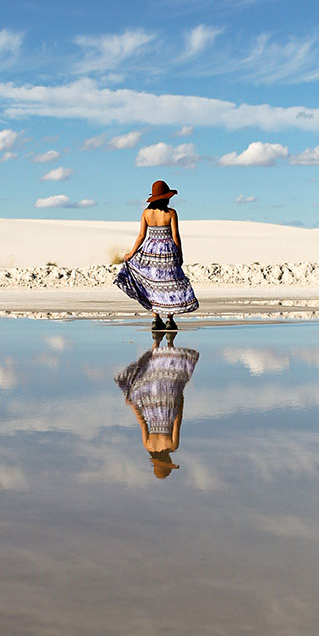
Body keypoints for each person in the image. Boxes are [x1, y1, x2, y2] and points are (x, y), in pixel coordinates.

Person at [113, 179, 199, 330]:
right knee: (170, 284)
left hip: (150, 251)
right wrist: (180, 253)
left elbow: (141, 235)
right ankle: (169, 319)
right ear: (166, 197)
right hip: (167, 252)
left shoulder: (146, 213)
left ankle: (155, 318)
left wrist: (131, 254)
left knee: (152, 284)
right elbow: (175, 236)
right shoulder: (171, 213)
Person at [115, 334, 200, 478]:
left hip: (169, 405)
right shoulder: (148, 445)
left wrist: (180, 400)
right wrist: (133, 404)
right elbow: (142, 423)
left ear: (167, 461)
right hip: (151, 409)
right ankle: (156, 344)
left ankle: (170, 343)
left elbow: (177, 423)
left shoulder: (172, 446)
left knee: (171, 377)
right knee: (152, 377)